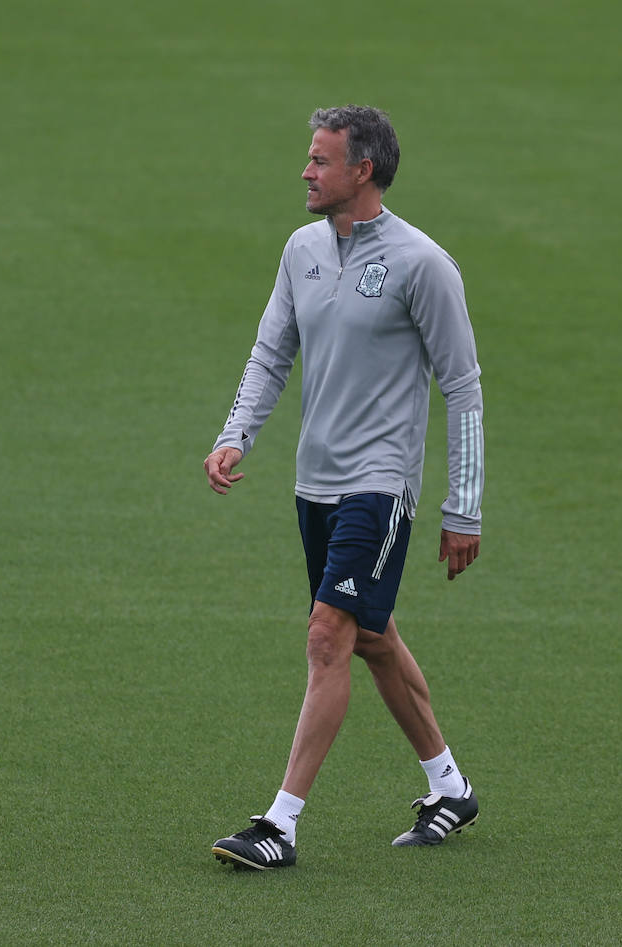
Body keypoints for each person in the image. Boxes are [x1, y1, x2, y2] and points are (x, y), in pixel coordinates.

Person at [204, 105, 485, 870]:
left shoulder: (422, 264)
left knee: (328, 635)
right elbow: (271, 352)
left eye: (320, 160)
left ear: (363, 170)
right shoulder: (301, 250)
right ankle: (450, 785)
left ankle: (280, 825)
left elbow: (463, 386)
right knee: (370, 634)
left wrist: (463, 506)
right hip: (315, 484)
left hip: (379, 485)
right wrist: (235, 435)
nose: (306, 171)